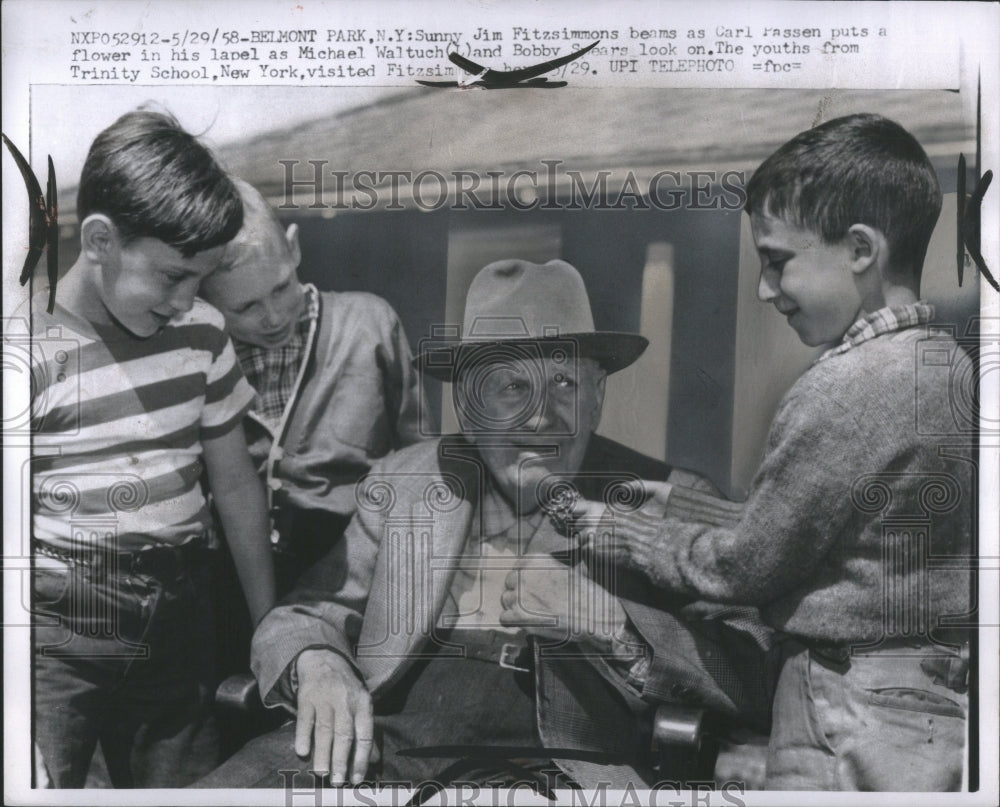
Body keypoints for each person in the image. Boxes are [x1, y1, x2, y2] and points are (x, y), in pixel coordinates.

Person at [194, 259, 772, 790]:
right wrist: (317, 663)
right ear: (468, 407)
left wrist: (611, 625)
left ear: (598, 397)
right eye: (512, 386)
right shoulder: (405, 482)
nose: (542, 415)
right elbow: (303, 614)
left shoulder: (668, 498)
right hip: (380, 746)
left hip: (560, 768)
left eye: (566, 383)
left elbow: (754, 674)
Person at [574, 114, 974, 791]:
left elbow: (750, 568)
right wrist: (690, 505)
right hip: (932, 702)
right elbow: (842, 536)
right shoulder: (949, 367)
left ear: (859, 249)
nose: (764, 289)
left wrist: (626, 532)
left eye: (777, 259)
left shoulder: (842, 389)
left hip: (838, 707)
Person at [30, 109, 276, 788]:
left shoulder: (200, 336)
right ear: (101, 239)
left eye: (201, 278)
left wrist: (267, 626)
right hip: (56, 634)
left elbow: (234, 486)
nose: (188, 299)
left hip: (180, 624)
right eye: (172, 276)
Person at [200, 179, 425, 593]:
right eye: (246, 307)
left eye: (281, 287)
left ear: (294, 247)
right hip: (233, 584)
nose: (272, 317)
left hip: (352, 578)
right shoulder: (203, 357)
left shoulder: (370, 324)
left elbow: (421, 462)